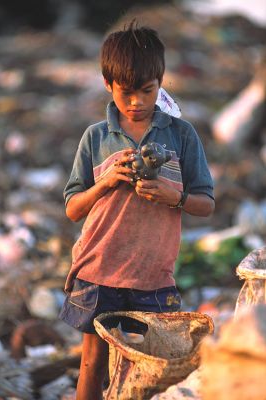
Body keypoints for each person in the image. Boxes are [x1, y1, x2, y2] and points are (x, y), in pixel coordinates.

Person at [59, 21, 215, 400]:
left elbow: (206, 204)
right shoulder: (96, 137)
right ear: (107, 84)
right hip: (99, 271)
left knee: (156, 367)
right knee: (92, 364)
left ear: (160, 82)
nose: (137, 102)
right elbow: (73, 209)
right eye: (127, 93)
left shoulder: (180, 135)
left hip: (154, 276)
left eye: (148, 91)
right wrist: (107, 181)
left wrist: (171, 196)